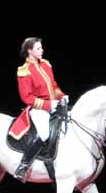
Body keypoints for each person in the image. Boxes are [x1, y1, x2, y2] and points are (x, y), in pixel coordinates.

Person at [13, 37, 68, 182]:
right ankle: (23, 166)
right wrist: (49, 105)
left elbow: (54, 86)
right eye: (38, 48)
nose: (42, 50)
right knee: (44, 133)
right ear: (29, 51)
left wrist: (61, 96)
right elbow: (27, 98)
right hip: (38, 109)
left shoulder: (46, 65)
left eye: (41, 47)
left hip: (54, 104)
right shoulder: (24, 71)